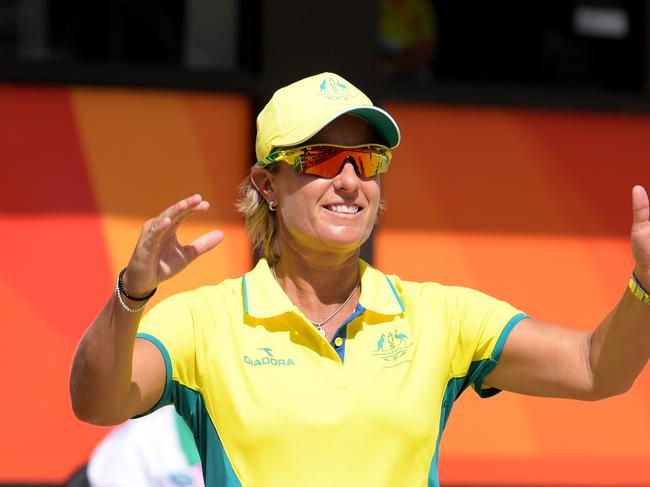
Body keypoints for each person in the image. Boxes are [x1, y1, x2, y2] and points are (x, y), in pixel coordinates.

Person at [70, 72, 650, 487]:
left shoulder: (439, 317)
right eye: (323, 158)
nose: (351, 180)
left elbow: (597, 368)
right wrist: (131, 296)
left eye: (367, 160)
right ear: (267, 185)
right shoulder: (203, 321)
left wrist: (645, 284)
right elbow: (97, 404)